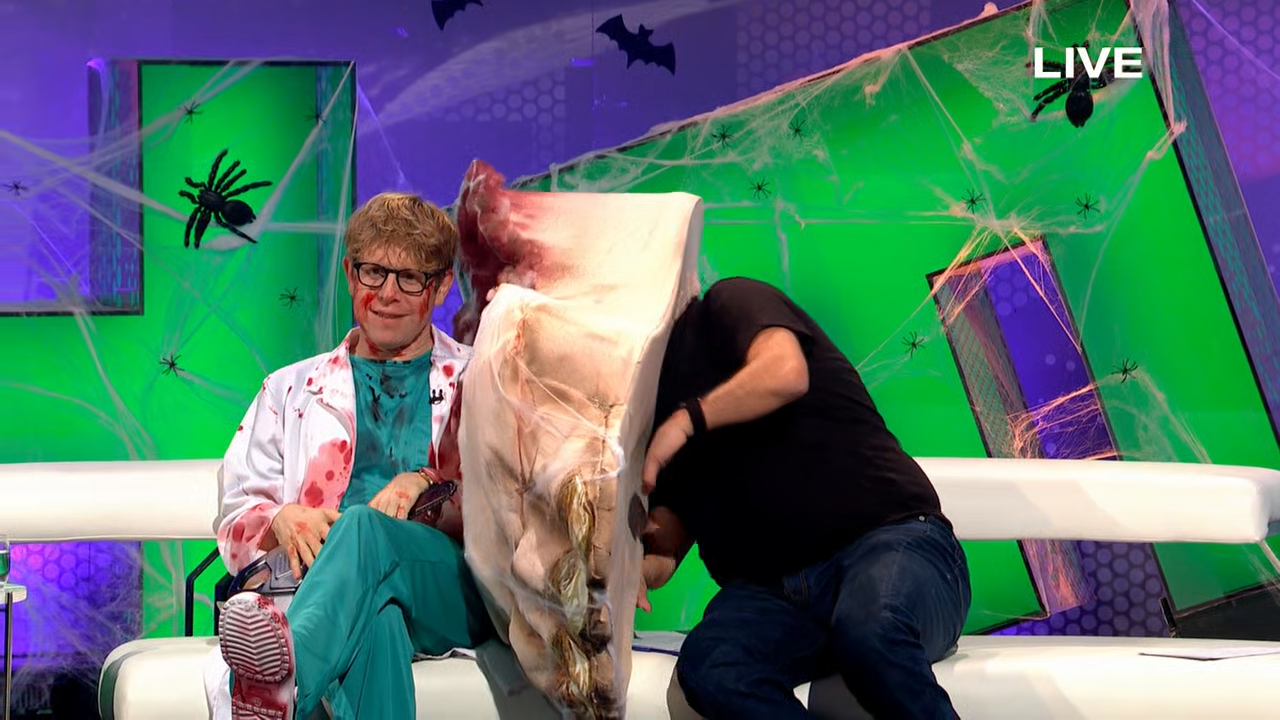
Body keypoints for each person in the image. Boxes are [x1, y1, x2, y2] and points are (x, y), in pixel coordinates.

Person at [208, 192, 492, 720]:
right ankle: (289, 674)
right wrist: (280, 519)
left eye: (410, 278)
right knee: (376, 620)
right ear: (348, 273)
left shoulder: (481, 380)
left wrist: (425, 480)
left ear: (441, 287)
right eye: (373, 273)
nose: (387, 294)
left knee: (361, 527)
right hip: (330, 595)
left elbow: (510, 503)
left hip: (449, 589)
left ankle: (284, 682)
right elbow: (236, 513)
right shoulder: (289, 389)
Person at [638, 276, 972, 720]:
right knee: (712, 668)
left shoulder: (725, 307)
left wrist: (687, 420)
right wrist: (629, 569)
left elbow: (785, 372)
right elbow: (669, 539)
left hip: (888, 541)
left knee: (872, 630)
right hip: (774, 595)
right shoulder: (643, 414)